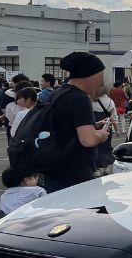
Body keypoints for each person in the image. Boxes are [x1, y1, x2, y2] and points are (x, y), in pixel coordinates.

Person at [40, 52, 113, 194]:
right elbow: (88, 140)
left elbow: (66, 127)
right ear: (91, 75)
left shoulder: (59, 92)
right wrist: (102, 134)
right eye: (101, 76)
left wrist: (93, 126)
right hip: (74, 174)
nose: (101, 82)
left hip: (55, 170)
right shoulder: (80, 98)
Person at [91, 85, 118, 176]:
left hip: (95, 127)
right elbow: (114, 117)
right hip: (107, 127)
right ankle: (106, 166)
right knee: (106, 146)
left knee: (95, 147)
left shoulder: (91, 101)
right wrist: (117, 130)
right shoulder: (110, 101)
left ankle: (97, 168)